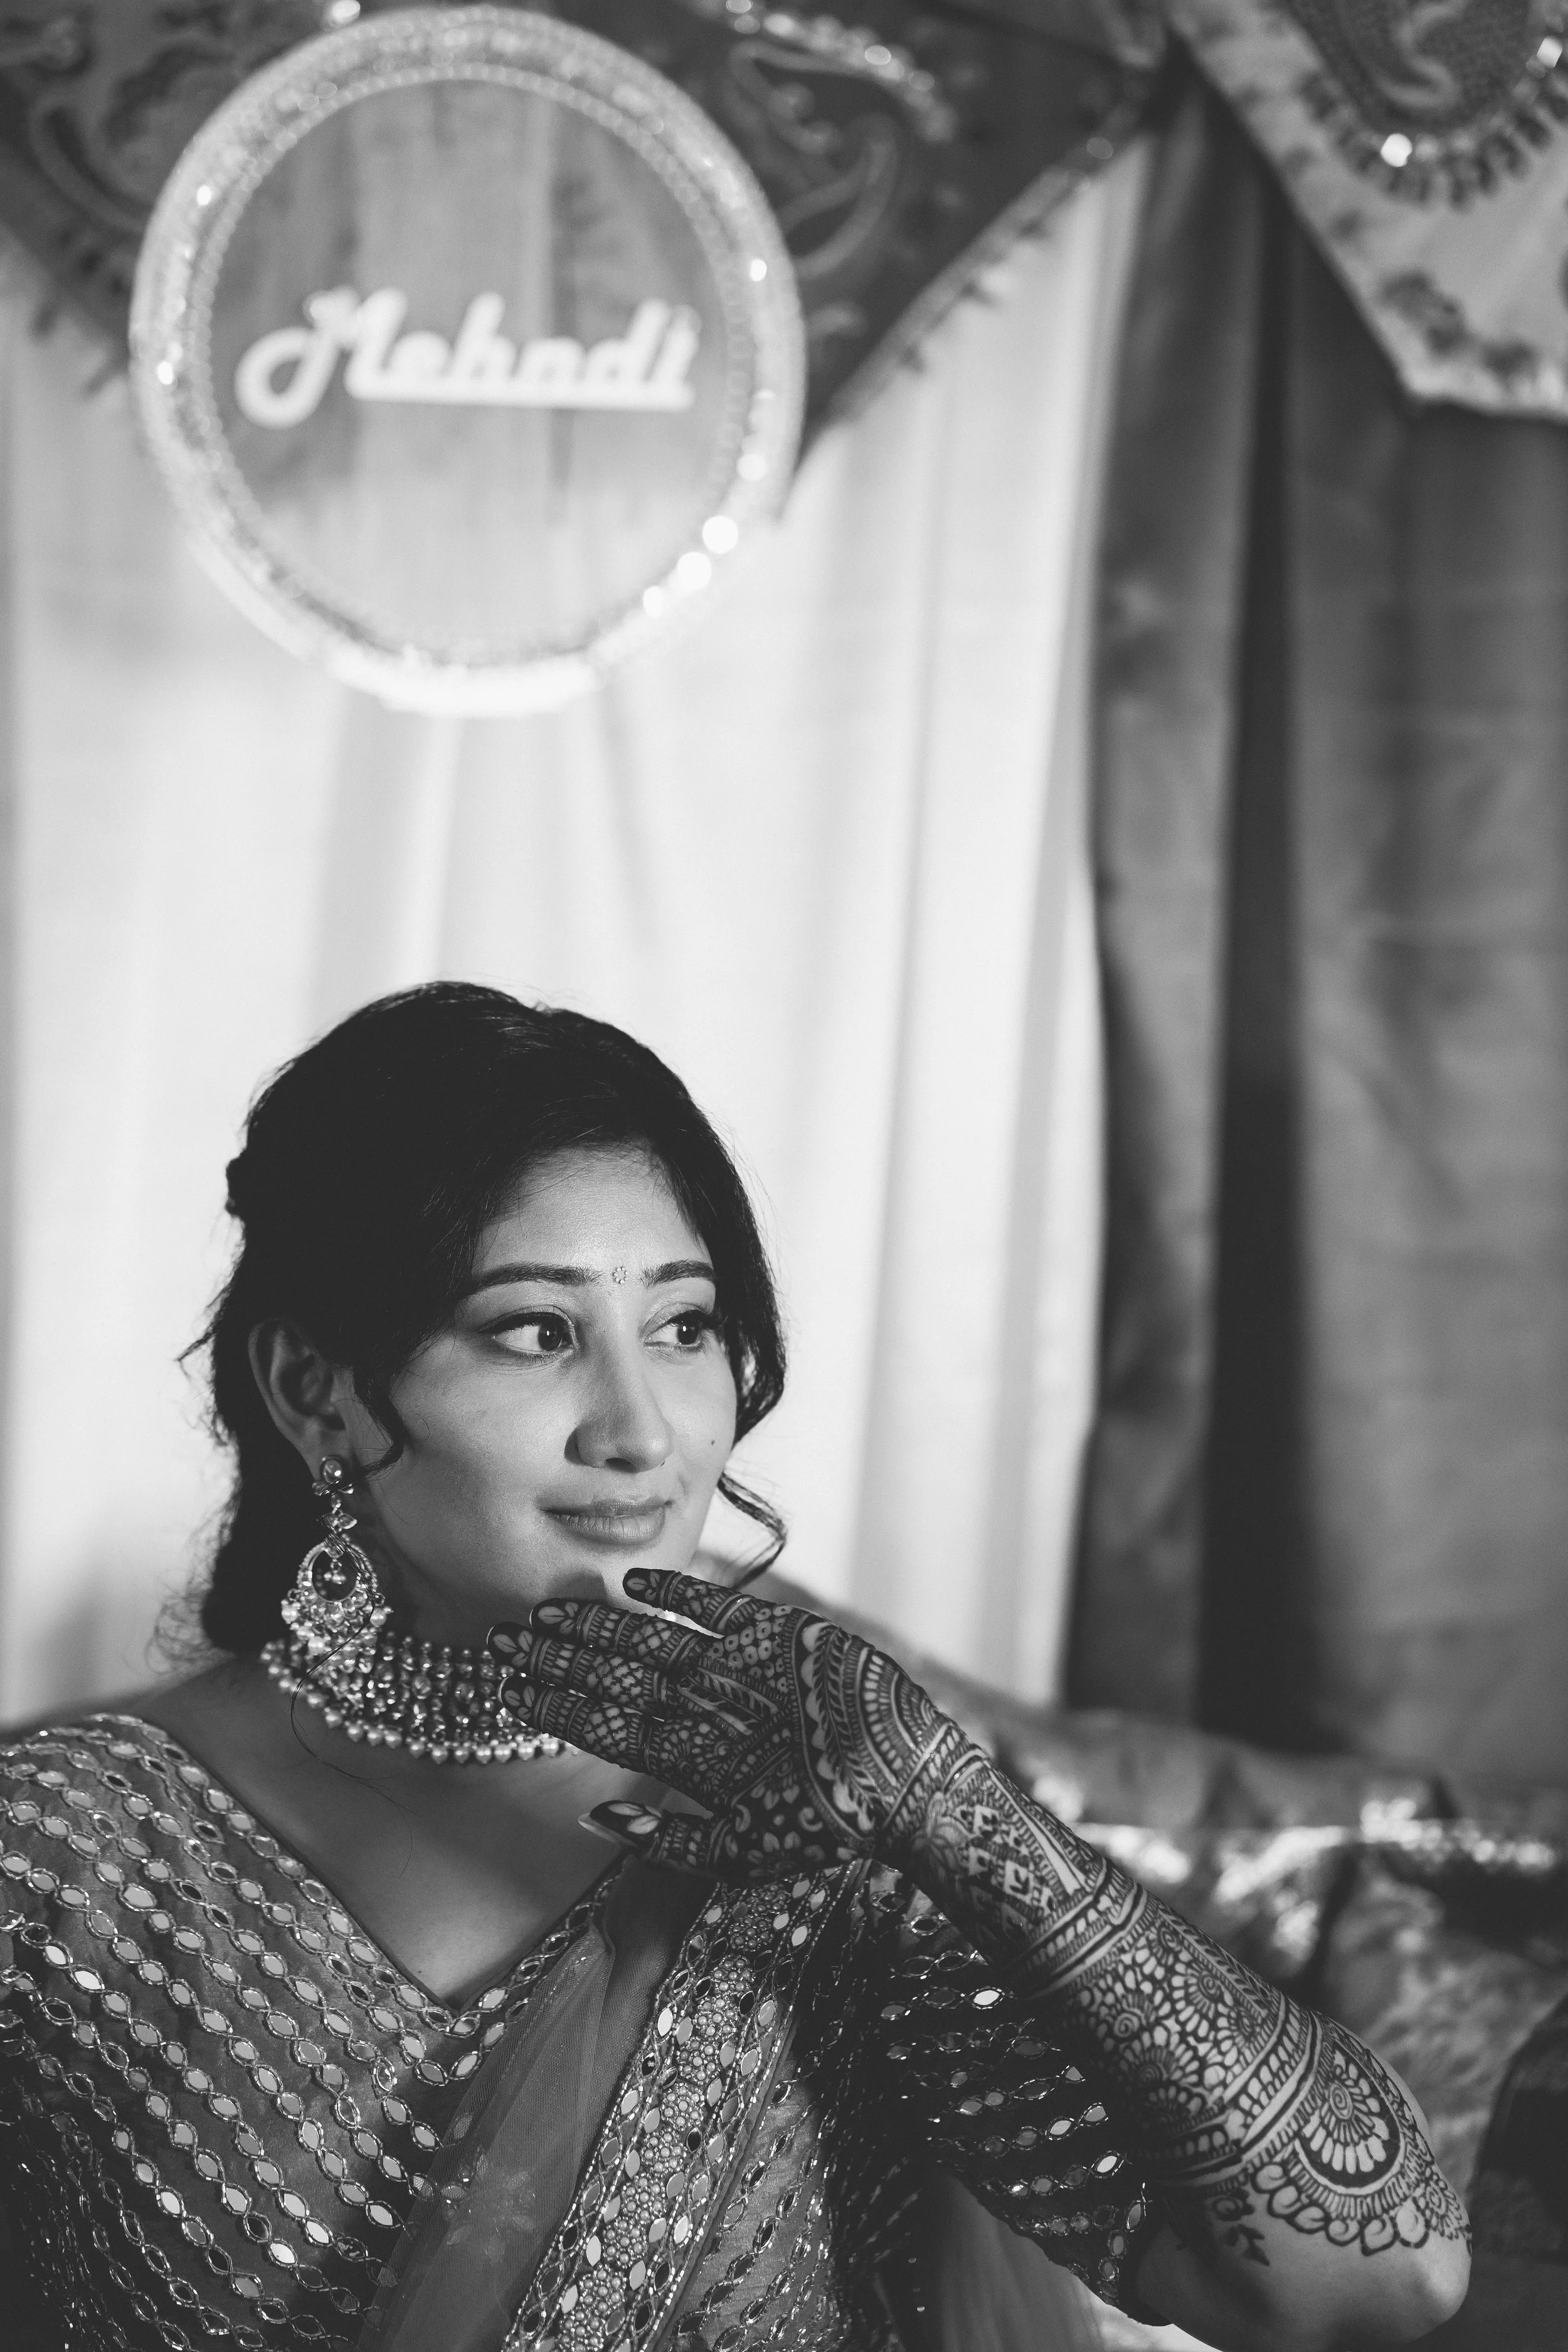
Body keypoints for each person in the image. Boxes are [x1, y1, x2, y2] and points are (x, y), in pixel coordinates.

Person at [0, 983, 1468, 2352]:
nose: (643, 1432)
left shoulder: (832, 1826)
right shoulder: (62, 1859)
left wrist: (956, 1812)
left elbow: (1384, 2278)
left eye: (684, 1326)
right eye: (534, 1333)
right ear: (316, 1389)